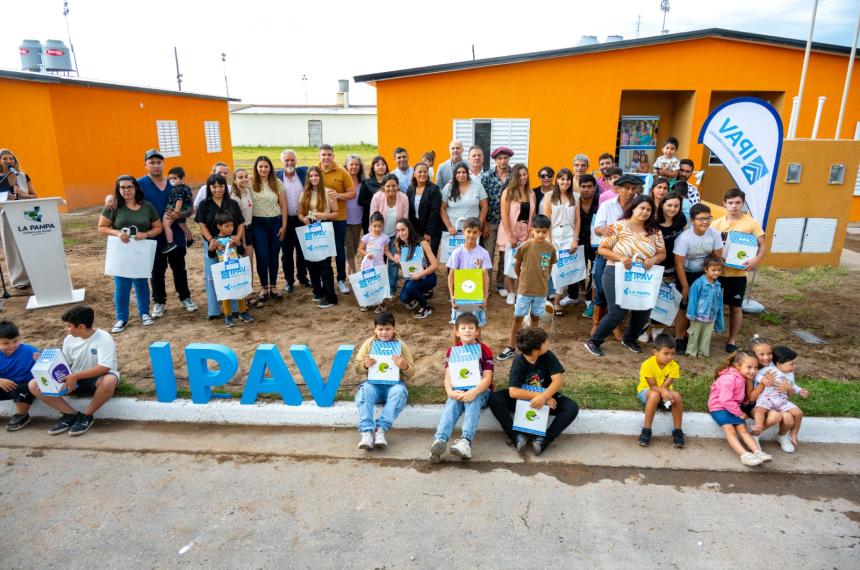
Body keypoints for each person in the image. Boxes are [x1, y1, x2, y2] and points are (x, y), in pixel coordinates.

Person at [106, 149, 197, 317]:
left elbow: (190, 208)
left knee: (179, 268)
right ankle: (159, 301)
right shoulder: (139, 184)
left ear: (163, 163)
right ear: (145, 165)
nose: (155, 165)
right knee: (156, 270)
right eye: (152, 162)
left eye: (158, 162)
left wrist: (180, 214)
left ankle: (185, 297)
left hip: (174, 233)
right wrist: (108, 198)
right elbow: (123, 194)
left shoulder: (174, 182)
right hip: (152, 235)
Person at [584, 194, 666, 357]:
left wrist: (653, 259)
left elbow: (662, 253)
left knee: (644, 309)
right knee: (617, 311)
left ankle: (629, 339)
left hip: (642, 276)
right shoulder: (618, 226)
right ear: (633, 208)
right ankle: (594, 341)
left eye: (649, 209)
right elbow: (602, 249)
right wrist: (621, 258)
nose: (645, 212)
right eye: (642, 208)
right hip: (615, 272)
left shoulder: (654, 231)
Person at [28, 305, 120, 437]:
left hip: (97, 378)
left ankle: (87, 416)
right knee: (34, 384)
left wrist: (75, 376)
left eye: (69, 326)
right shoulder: (69, 340)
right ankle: (70, 414)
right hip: (74, 379)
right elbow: (65, 363)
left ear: (81, 326)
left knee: (109, 381)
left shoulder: (104, 338)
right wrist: (45, 361)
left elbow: (104, 367)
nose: (67, 330)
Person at [489, 327, 579, 455]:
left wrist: (545, 396)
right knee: (494, 399)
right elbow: (513, 392)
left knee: (571, 407)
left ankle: (543, 441)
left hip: (546, 398)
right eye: (544, 342)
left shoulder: (548, 355)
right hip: (524, 398)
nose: (547, 344)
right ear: (536, 351)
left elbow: (558, 381)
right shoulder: (519, 361)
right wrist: (542, 397)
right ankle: (516, 437)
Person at [98, 175, 162, 333]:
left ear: (135, 188)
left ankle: (145, 313)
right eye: (122, 187)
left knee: (141, 282)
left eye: (129, 187)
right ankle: (121, 318)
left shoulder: (147, 206)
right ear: (118, 190)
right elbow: (101, 227)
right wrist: (117, 232)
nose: (126, 190)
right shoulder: (113, 206)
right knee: (122, 285)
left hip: (140, 251)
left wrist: (146, 234)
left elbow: (158, 227)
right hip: (121, 252)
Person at [429, 313, 494, 462]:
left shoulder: (484, 350)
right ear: (457, 332)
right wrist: (450, 391)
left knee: (473, 400)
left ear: (477, 331)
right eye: (463, 328)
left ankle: (465, 442)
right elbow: (448, 376)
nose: (467, 331)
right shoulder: (452, 351)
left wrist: (474, 391)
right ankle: (440, 441)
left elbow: (487, 377)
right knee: (452, 403)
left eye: (471, 327)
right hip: (458, 389)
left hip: (481, 391)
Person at [589, 174, 645, 337]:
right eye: (626, 188)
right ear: (618, 188)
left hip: (629, 256)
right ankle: (597, 321)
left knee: (624, 289)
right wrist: (603, 230)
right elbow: (597, 228)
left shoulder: (639, 206)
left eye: (633, 189)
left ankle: (616, 324)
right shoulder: (607, 205)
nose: (629, 192)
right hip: (607, 252)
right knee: (600, 286)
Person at [712, 188, 766, 352]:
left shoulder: (752, 223)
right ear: (724, 203)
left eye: (738, 203)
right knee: (712, 304)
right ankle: (707, 335)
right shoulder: (716, 224)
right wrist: (716, 257)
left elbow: (762, 245)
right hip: (717, 273)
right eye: (731, 203)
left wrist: (756, 259)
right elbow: (712, 246)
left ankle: (732, 340)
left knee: (735, 307)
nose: (734, 206)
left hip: (738, 274)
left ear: (743, 204)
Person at [353, 311, 415, 450]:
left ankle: (380, 429)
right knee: (365, 391)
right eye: (380, 329)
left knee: (399, 392)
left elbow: (411, 372)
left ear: (394, 329)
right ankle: (366, 432)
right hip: (373, 384)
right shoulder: (369, 344)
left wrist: (403, 365)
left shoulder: (401, 345)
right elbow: (356, 368)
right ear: (374, 329)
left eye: (388, 329)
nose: (384, 333)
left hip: (394, 384)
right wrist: (364, 364)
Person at [498, 214, 556, 361]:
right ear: (532, 230)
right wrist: (522, 278)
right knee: (518, 318)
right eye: (538, 231)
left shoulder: (550, 248)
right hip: (524, 290)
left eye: (544, 231)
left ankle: (531, 346)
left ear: (548, 231)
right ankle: (511, 346)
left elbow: (549, 266)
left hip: (541, 291)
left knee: (535, 318)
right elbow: (517, 265)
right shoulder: (526, 246)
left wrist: (544, 279)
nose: (541, 234)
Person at [195, 173, 247, 321]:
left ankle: (235, 309)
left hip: (230, 245)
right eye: (214, 186)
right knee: (213, 277)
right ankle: (214, 310)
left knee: (231, 274)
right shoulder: (204, 204)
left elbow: (241, 223)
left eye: (221, 186)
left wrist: (237, 236)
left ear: (225, 186)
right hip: (213, 244)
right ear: (209, 187)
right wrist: (211, 239)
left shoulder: (232, 204)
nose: (218, 189)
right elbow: (201, 224)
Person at [708, 350, 773, 467]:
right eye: (749, 367)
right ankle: (744, 455)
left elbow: (737, 396)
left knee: (743, 430)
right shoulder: (729, 378)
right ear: (738, 365)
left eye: (755, 367)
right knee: (730, 430)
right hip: (719, 407)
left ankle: (758, 452)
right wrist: (740, 413)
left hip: (732, 407)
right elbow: (725, 399)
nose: (753, 371)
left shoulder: (742, 377)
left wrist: (744, 404)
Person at [672, 203, 723, 351]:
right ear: (692, 220)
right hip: (686, 273)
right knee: (684, 305)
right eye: (701, 219)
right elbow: (679, 264)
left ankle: (691, 335)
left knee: (699, 305)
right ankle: (679, 337)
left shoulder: (714, 234)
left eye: (708, 218)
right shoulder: (684, 238)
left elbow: (717, 259)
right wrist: (685, 286)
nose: (705, 222)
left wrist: (711, 279)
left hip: (705, 274)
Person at [752, 345, 808, 450]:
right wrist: (763, 380)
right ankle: (758, 428)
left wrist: (800, 391)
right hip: (767, 398)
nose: (794, 366)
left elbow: (793, 386)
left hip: (781, 400)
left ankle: (794, 433)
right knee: (760, 409)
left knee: (798, 413)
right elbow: (757, 375)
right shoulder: (769, 369)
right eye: (791, 364)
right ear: (778, 364)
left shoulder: (790, 374)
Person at [299, 166, 339, 309]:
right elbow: (300, 213)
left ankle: (330, 296)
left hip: (324, 227)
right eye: (311, 176)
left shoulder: (328, 192)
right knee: (311, 262)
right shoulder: (305, 193)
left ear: (320, 177)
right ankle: (317, 291)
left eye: (316, 175)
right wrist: (303, 218)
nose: (314, 178)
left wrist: (323, 216)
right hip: (310, 228)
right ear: (308, 178)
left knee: (325, 264)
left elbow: (336, 213)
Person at [746, 336, 796, 451]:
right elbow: (752, 398)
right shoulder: (751, 371)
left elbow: (787, 395)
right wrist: (763, 383)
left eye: (769, 353)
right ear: (753, 355)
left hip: (775, 402)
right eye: (761, 354)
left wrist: (788, 388)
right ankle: (755, 435)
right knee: (775, 416)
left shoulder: (777, 369)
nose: (766, 358)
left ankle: (781, 436)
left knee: (788, 418)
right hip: (756, 405)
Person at [636, 334, 685, 448]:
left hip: (664, 392)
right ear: (655, 351)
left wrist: (665, 394)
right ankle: (646, 430)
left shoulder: (674, 366)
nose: (670, 357)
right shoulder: (647, 364)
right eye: (666, 353)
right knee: (654, 396)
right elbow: (652, 386)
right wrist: (662, 393)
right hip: (647, 391)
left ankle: (678, 431)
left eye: (672, 353)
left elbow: (666, 386)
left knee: (677, 396)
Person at [319, 145, 356, 293]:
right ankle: (325, 279)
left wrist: (338, 195)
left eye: (329, 154)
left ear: (333, 156)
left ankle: (341, 279)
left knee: (339, 250)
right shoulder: (314, 171)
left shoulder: (342, 172)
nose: (326, 157)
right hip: (320, 218)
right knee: (324, 251)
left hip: (339, 218)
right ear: (319, 156)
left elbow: (352, 193)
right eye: (323, 154)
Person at [250, 156, 287, 302]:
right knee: (262, 256)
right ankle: (264, 287)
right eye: (260, 166)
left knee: (273, 255)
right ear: (256, 168)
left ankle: (273, 286)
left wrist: (284, 226)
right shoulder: (250, 183)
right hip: (258, 224)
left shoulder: (276, 182)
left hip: (275, 223)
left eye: (266, 166)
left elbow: (283, 206)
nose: (263, 169)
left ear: (270, 168)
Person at [206, 212, 254, 327]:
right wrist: (211, 248)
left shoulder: (234, 238)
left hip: (237, 269)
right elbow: (211, 256)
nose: (230, 228)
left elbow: (242, 252)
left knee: (240, 289)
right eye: (226, 226)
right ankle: (228, 315)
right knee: (225, 293)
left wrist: (238, 244)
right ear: (219, 226)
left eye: (232, 226)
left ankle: (243, 312)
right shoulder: (216, 240)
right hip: (224, 272)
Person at [498, 163, 536, 305]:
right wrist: (511, 236)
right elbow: (504, 216)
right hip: (511, 230)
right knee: (509, 262)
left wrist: (530, 234)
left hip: (526, 230)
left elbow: (533, 215)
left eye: (524, 174)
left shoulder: (531, 193)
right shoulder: (508, 192)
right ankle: (511, 292)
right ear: (514, 176)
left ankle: (522, 291)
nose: (522, 177)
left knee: (524, 263)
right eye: (519, 175)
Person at [543, 166, 580, 315]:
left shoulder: (575, 197)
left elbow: (577, 221)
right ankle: (542, 300)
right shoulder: (549, 196)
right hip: (553, 236)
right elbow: (546, 220)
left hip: (568, 236)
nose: (565, 182)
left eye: (568, 179)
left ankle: (557, 301)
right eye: (562, 179)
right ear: (557, 180)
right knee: (547, 267)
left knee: (563, 270)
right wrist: (548, 240)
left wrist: (575, 239)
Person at [0, 150, 37, 288]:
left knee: (28, 244)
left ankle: (35, 274)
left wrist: (22, 194)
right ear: (0, 161)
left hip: (25, 213)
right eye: (5, 158)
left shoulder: (22, 176)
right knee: (12, 247)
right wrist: (4, 198)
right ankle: (19, 280)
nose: (9, 161)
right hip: (6, 215)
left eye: (11, 158)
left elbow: (35, 196)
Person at [480, 147, 513, 296]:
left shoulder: (514, 176)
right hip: (491, 221)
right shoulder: (486, 176)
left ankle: (501, 284)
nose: (503, 161)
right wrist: (484, 223)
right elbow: (481, 201)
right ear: (495, 160)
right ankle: (485, 286)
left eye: (505, 158)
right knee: (488, 253)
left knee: (504, 254)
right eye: (500, 158)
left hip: (508, 222)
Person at [447, 217, 492, 327]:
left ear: (479, 233)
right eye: (469, 231)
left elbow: (485, 276)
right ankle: (456, 345)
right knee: (458, 326)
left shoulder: (483, 253)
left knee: (477, 325)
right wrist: (452, 295)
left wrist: (485, 296)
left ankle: (477, 345)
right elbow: (451, 275)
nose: (471, 235)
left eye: (475, 232)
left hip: (476, 296)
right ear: (463, 232)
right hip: (460, 295)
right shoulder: (457, 252)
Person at [370, 173, 409, 299]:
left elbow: (405, 219)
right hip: (379, 235)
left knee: (393, 261)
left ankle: (391, 290)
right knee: (378, 261)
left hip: (395, 235)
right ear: (383, 187)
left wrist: (399, 239)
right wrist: (374, 237)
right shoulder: (377, 197)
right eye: (388, 186)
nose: (391, 189)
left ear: (397, 186)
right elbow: (372, 218)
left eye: (394, 186)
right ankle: (378, 289)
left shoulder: (403, 197)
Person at [276, 150, 310, 293]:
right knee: (287, 253)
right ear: (282, 162)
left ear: (296, 161)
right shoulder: (276, 176)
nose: (289, 162)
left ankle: (302, 277)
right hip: (285, 220)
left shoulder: (304, 172)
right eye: (286, 160)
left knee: (303, 251)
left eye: (292, 160)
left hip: (302, 218)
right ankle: (289, 281)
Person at [565, 172, 599, 314]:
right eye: (583, 186)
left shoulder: (600, 201)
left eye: (589, 186)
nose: (586, 189)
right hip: (578, 240)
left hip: (596, 242)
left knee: (594, 271)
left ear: (594, 187)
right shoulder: (574, 202)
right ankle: (572, 296)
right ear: (579, 188)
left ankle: (589, 298)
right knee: (575, 268)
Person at [393, 218, 438, 318]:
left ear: (409, 228)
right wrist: (398, 262)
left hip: (428, 276)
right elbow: (406, 268)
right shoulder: (400, 245)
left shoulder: (422, 243)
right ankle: (418, 294)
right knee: (404, 298)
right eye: (398, 231)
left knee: (410, 287)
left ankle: (426, 307)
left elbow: (435, 265)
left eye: (403, 229)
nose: (401, 233)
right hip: (412, 276)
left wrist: (420, 274)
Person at [0, 320, 38, 431]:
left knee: (24, 387)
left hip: (24, 388)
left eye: (15, 341)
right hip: (4, 386)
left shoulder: (30, 351)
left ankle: (22, 414)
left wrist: (40, 361)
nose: (11, 345)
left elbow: (46, 368)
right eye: (6, 343)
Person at [685, 256, 725, 357]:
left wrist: (719, 317)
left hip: (711, 316)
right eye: (713, 270)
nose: (716, 273)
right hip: (698, 315)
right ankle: (691, 352)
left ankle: (702, 352)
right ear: (706, 269)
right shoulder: (699, 283)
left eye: (719, 270)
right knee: (694, 334)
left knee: (706, 336)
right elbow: (693, 299)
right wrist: (691, 313)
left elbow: (719, 303)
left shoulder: (718, 286)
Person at [441, 162, 489, 243]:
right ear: (454, 174)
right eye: (458, 172)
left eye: (464, 172)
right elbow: (442, 208)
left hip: (473, 230)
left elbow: (484, 206)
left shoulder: (477, 185)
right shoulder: (448, 187)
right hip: (454, 230)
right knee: (454, 255)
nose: (461, 175)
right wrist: (449, 227)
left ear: (468, 173)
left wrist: (479, 223)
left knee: (472, 254)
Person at [230, 168, 258, 305]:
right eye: (240, 177)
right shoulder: (234, 197)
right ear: (234, 180)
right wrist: (238, 237)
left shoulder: (247, 191)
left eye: (246, 176)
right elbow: (235, 220)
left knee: (249, 263)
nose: (244, 179)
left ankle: (248, 293)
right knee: (243, 263)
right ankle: (244, 296)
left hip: (250, 229)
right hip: (241, 232)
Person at [406, 161, 443, 255]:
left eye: (425, 172)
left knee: (429, 257)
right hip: (415, 229)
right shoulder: (410, 189)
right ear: (414, 174)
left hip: (431, 230)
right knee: (417, 258)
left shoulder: (434, 189)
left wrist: (428, 232)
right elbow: (409, 211)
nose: (423, 174)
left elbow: (434, 212)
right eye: (420, 172)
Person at [357, 212, 390, 313]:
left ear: (383, 225)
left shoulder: (385, 238)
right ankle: (368, 303)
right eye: (374, 226)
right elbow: (360, 249)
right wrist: (367, 253)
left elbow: (387, 252)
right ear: (370, 225)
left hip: (379, 265)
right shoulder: (366, 237)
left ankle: (382, 304)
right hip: (368, 264)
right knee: (368, 283)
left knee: (379, 284)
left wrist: (394, 258)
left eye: (379, 226)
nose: (377, 228)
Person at [162, 166, 194, 254]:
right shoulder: (186, 187)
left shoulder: (177, 189)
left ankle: (170, 243)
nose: (172, 180)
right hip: (183, 210)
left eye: (174, 178)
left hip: (173, 210)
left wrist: (176, 212)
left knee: (166, 224)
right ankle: (190, 239)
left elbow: (179, 201)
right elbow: (190, 197)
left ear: (182, 178)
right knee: (183, 226)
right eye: (170, 178)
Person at [344, 154, 366, 275]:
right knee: (349, 246)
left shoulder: (363, 183)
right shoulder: (342, 181)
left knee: (355, 245)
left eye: (356, 164)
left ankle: (349, 264)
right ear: (347, 166)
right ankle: (353, 272)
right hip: (345, 219)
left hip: (358, 220)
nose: (354, 167)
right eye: (351, 164)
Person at [358, 156, 389, 234]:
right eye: (377, 165)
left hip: (388, 217)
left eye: (383, 164)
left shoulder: (391, 182)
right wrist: (376, 204)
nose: (380, 167)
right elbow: (361, 200)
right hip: (370, 218)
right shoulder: (367, 182)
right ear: (373, 168)